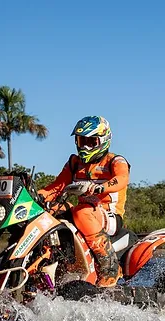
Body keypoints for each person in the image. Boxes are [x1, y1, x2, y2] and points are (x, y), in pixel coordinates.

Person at [37, 116, 130, 288]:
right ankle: (48, 265)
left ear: (103, 140)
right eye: (81, 141)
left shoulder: (115, 161)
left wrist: (99, 187)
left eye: (91, 141)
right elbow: (56, 187)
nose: (85, 146)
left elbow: (122, 179)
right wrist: (37, 197)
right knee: (51, 211)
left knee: (81, 212)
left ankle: (109, 267)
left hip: (109, 216)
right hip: (84, 213)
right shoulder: (74, 163)